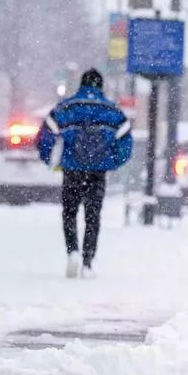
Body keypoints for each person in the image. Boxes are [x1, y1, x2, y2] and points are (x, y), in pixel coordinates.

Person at [37, 68, 133, 279]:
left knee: (69, 213)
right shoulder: (111, 110)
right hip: (98, 171)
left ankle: (72, 251)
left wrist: (47, 157)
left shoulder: (68, 106)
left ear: (82, 84)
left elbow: (47, 130)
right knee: (93, 216)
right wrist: (114, 160)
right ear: (100, 85)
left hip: (72, 169)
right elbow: (126, 137)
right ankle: (88, 262)